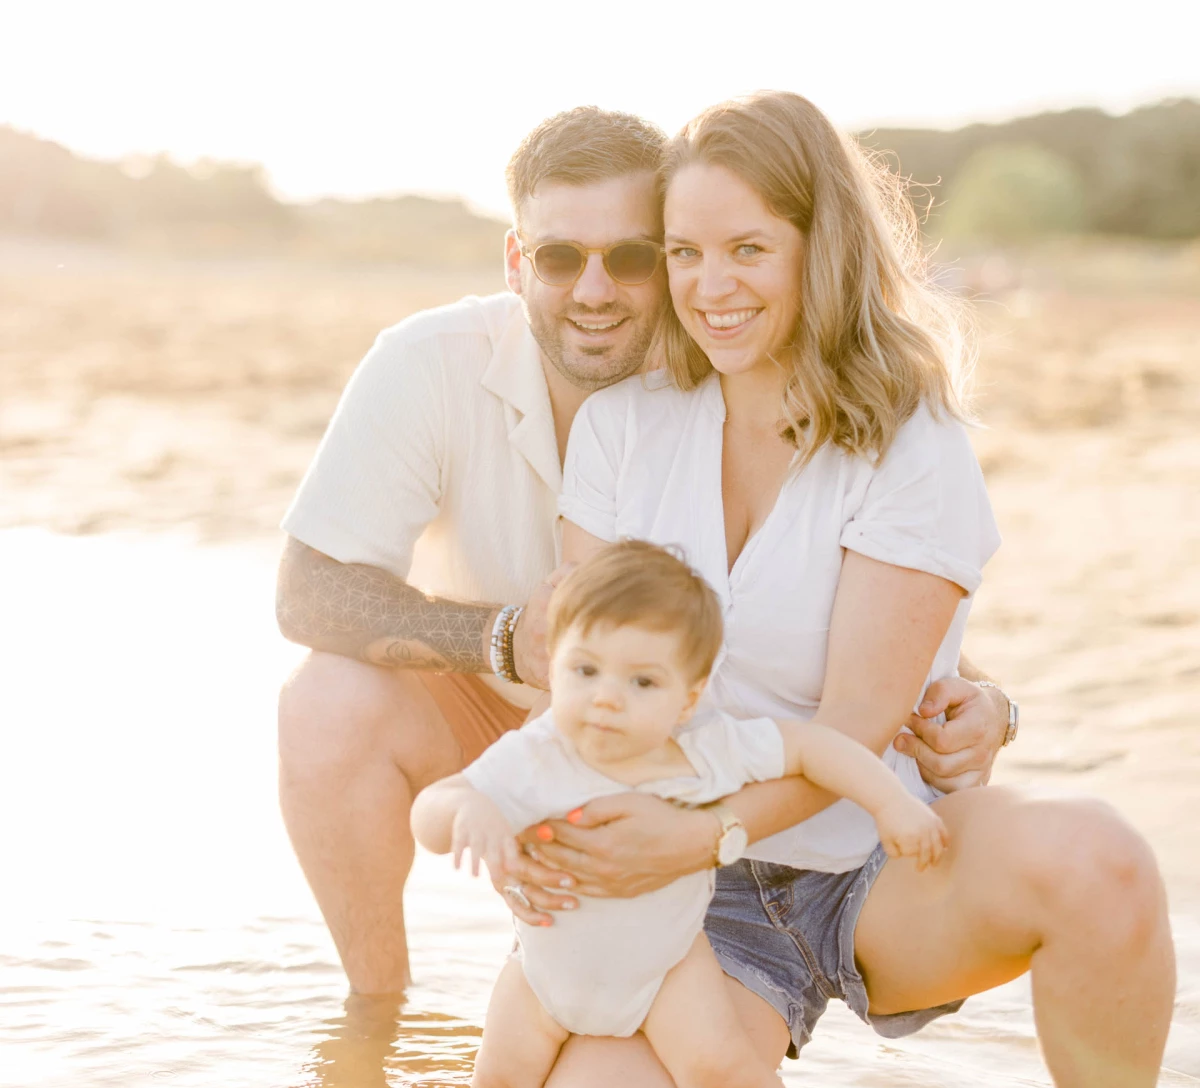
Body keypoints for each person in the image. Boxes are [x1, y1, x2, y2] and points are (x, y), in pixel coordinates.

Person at [517, 90, 1171, 1088]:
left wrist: (694, 837)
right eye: (684, 252)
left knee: (1100, 862)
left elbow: (856, 724)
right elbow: (596, 688)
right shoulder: (625, 430)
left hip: (875, 863)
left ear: (821, 249)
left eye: (748, 249)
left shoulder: (909, 438)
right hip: (692, 905)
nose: (709, 286)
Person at [276, 105, 1009, 996]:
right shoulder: (430, 361)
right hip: (510, 705)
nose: (595, 290)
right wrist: (507, 640)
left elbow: (827, 571)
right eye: (558, 258)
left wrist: (986, 696)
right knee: (325, 700)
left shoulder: (733, 350)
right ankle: (376, 1014)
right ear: (516, 262)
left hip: (687, 742)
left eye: (631, 255)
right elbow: (304, 593)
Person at [411, 539, 948, 1088]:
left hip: (664, 970)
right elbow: (432, 812)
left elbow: (812, 749)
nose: (607, 697)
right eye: (585, 670)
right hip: (545, 976)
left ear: (687, 699)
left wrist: (893, 804)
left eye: (641, 681)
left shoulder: (701, 752)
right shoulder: (537, 755)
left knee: (726, 1076)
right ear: (554, 665)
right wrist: (467, 809)